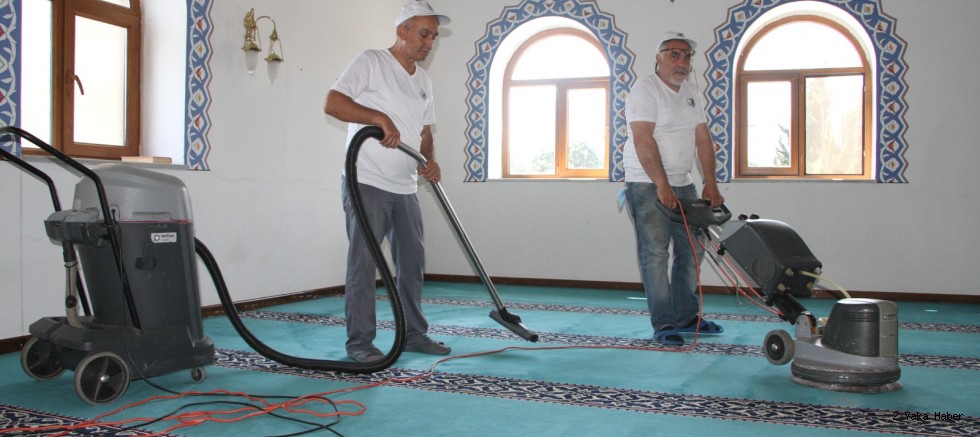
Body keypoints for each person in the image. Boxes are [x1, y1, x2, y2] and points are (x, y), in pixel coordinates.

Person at [324, 1, 451, 363]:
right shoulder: (371, 62)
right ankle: (360, 343)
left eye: (434, 37)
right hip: (366, 180)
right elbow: (333, 103)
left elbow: (424, 131)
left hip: (405, 186)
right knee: (364, 263)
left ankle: (413, 333)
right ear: (403, 31)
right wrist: (376, 117)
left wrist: (430, 160)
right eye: (424, 34)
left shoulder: (423, 80)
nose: (430, 43)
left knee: (412, 262)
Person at [621, 32, 725, 346]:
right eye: (673, 54)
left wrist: (710, 181)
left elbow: (703, 139)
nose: (681, 61)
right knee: (655, 254)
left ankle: (687, 317)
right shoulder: (646, 89)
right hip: (646, 182)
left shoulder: (692, 91)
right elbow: (643, 139)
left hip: (685, 183)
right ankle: (665, 324)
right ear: (659, 57)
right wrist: (661, 184)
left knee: (693, 251)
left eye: (686, 56)